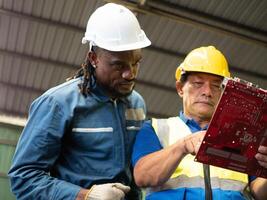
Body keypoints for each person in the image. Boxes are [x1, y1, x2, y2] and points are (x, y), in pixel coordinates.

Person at [8, 3, 151, 200]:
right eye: (118, 65)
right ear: (93, 58)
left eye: (136, 63)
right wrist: (85, 196)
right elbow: (24, 178)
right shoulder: (58, 104)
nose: (130, 74)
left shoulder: (137, 104)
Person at [132, 46, 267, 200]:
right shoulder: (155, 129)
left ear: (224, 92)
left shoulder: (243, 136)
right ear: (180, 88)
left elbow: (260, 193)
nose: (207, 92)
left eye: (216, 85)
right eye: (198, 83)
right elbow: (142, 176)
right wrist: (182, 146)